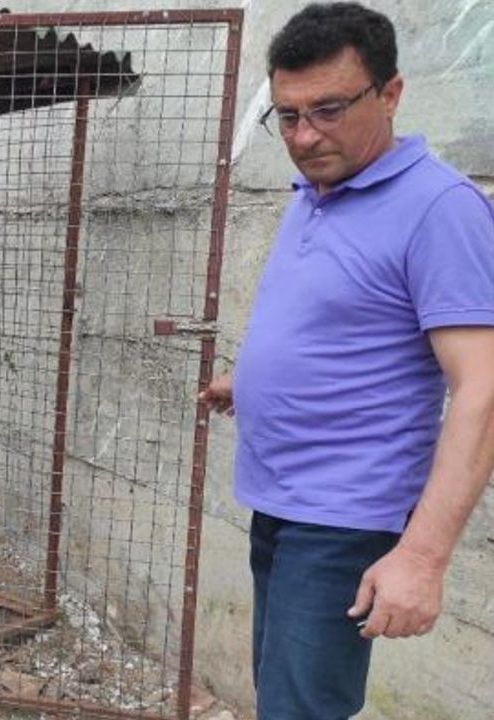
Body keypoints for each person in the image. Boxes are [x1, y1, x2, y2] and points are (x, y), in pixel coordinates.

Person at [200, 3, 494, 718]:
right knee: (280, 698)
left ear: (390, 94)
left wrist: (421, 557)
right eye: (287, 116)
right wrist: (257, 383)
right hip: (280, 503)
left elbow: (483, 388)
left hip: (341, 521)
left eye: (328, 110)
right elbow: (352, 325)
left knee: (299, 709)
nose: (304, 136)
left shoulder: (439, 208)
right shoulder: (318, 191)